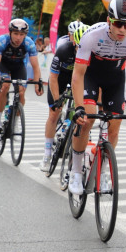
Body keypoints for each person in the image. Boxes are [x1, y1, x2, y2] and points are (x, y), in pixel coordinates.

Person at [67, 0, 126, 195]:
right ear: (108, 20)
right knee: (87, 117)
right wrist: (78, 106)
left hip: (115, 81)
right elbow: (78, 74)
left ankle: (102, 170)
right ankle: (76, 171)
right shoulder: (92, 35)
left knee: (114, 128)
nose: (122, 29)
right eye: (117, 24)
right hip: (91, 76)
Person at [40, 21, 87, 172]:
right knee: (54, 113)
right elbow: (53, 78)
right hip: (60, 78)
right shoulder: (63, 49)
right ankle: (47, 155)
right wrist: (56, 100)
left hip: (77, 80)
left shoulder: (89, 51)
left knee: (80, 114)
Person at [0, 18, 44, 133]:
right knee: (4, 87)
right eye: (15, 34)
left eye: (21, 34)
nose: (18, 37)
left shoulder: (29, 43)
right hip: (3, 65)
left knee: (21, 92)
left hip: (19, 67)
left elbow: (35, 66)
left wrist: (37, 84)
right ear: (10, 33)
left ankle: (15, 120)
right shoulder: (1, 41)